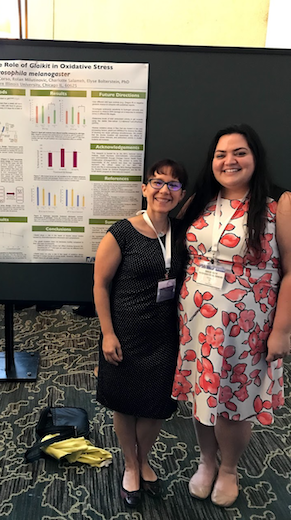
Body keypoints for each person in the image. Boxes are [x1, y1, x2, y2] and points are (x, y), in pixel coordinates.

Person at [172, 124, 291, 507]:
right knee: (203, 394)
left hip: (249, 326)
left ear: (255, 157)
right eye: (221, 154)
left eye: (239, 152)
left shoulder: (279, 204)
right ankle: (207, 462)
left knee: (236, 401)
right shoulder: (200, 200)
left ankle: (229, 469)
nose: (230, 161)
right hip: (197, 322)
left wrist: (282, 331)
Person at [94, 159, 188, 507]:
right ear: (145, 187)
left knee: (155, 405)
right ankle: (131, 465)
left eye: (174, 184)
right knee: (125, 402)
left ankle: (143, 458)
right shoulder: (121, 232)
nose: (165, 189)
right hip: (126, 332)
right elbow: (100, 285)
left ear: (181, 193)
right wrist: (107, 333)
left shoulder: (182, 233)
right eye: (158, 182)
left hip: (166, 335)